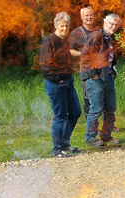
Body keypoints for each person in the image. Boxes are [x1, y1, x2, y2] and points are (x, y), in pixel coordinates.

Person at [41, 12, 83, 158]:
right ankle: (57, 149)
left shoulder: (65, 41)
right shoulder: (49, 41)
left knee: (76, 112)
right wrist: (57, 79)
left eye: (67, 26)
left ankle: (65, 143)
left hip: (68, 81)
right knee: (60, 116)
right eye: (62, 26)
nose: (65, 29)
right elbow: (45, 66)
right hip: (55, 83)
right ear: (55, 26)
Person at [80, 13, 121, 147]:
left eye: (116, 25)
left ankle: (106, 135)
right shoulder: (96, 36)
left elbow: (111, 57)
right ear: (104, 23)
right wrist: (93, 75)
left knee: (110, 108)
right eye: (111, 24)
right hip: (96, 78)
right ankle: (90, 138)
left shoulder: (111, 38)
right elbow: (85, 57)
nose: (114, 27)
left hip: (108, 76)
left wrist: (112, 72)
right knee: (96, 109)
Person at [68, 6, 99, 118]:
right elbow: (70, 50)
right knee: (88, 97)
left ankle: (108, 125)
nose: (89, 17)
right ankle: (90, 125)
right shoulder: (76, 33)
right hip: (86, 69)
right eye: (86, 15)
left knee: (104, 96)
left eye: (91, 15)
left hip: (101, 68)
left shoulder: (99, 30)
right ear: (81, 17)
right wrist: (83, 54)